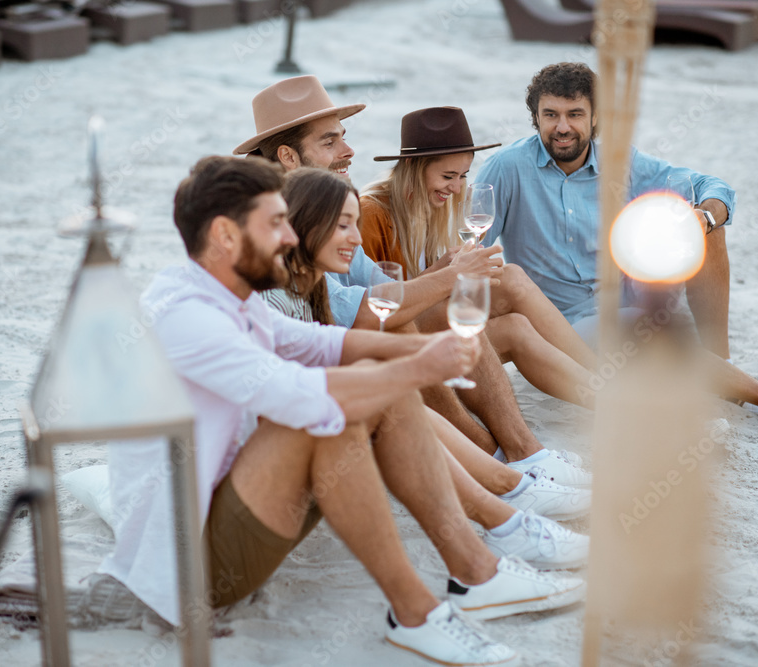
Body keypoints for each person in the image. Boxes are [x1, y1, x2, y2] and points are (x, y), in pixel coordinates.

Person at [100, 156, 587, 666]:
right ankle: (442, 593)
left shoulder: (223, 292)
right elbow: (299, 391)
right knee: (334, 409)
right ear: (224, 234)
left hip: (238, 502)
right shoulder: (187, 317)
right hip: (192, 565)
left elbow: (315, 340)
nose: (289, 239)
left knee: (364, 393)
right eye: (275, 224)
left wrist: (418, 355)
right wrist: (417, 368)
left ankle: (475, 570)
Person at [234, 75, 595, 486]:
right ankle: (505, 460)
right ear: (289, 156)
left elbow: (372, 282)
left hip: (354, 351)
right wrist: (451, 278)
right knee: (442, 318)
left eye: (343, 138)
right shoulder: (276, 227)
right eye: (330, 142)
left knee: (498, 298)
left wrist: (445, 270)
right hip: (321, 379)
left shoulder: (314, 205)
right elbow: (367, 312)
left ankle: (546, 437)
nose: (349, 151)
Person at [476, 62, 758, 439]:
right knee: (642, 331)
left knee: (706, 229)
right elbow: (467, 249)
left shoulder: (620, 161)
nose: (562, 127)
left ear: (596, 118)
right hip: (564, 323)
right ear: (536, 117)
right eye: (550, 115)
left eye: (574, 114)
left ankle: (722, 366)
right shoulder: (506, 169)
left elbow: (711, 185)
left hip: (631, 297)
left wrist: (704, 217)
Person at [261, 166, 592, 569]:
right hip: (274, 477)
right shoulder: (276, 293)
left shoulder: (301, 286)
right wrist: (447, 288)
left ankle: (515, 478)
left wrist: (424, 350)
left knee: (502, 322)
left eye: (464, 175)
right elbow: (369, 314)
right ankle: (506, 482)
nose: (355, 236)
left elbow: (345, 330)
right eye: (343, 225)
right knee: (387, 388)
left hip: (307, 427)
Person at [360, 106, 600, 411]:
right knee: (515, 328)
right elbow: (372, 308)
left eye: (462, 176)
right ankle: (616, 404)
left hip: (429, 321)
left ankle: (604, 382)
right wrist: (443, 272)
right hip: (399, 341)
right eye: (448, 176)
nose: (457, 188)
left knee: (511, 276)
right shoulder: (371, 214)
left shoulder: (432, 208)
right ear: (412, 166)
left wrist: (464, 273)